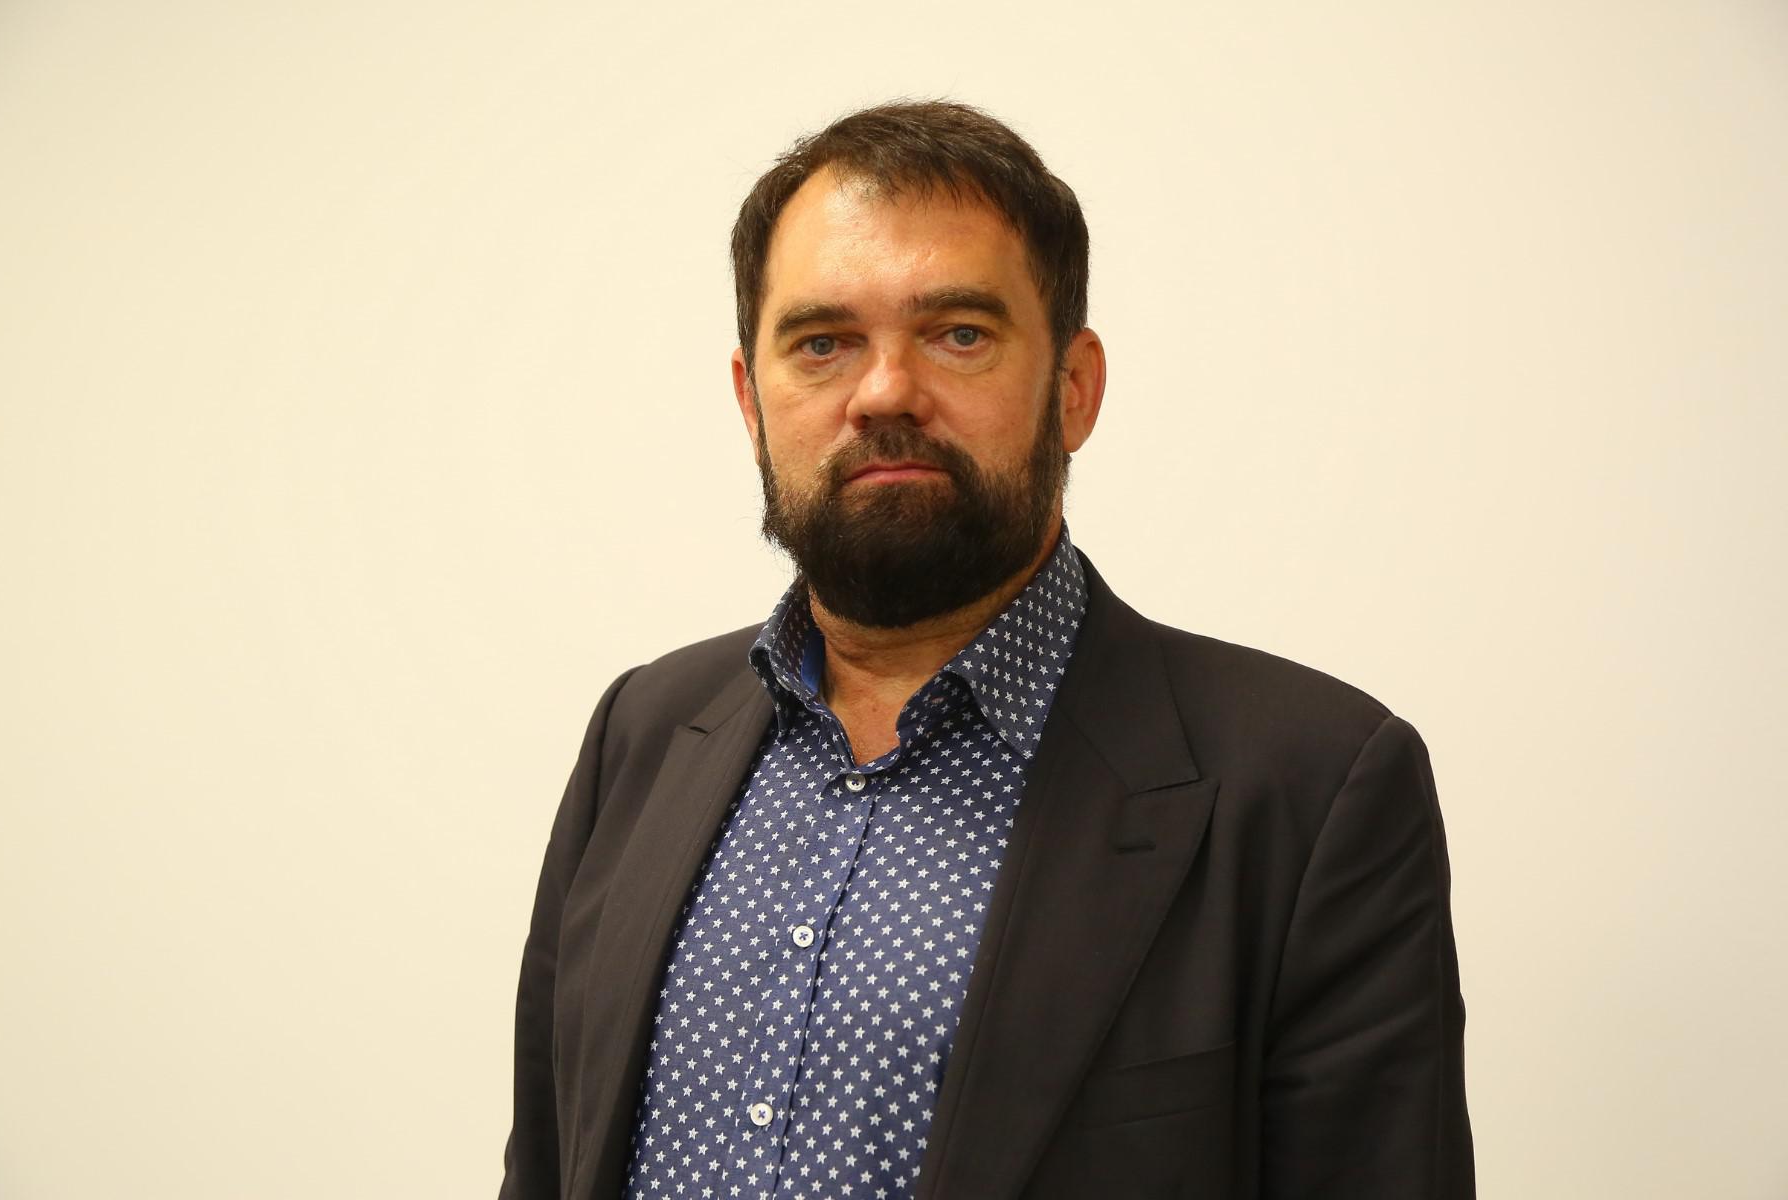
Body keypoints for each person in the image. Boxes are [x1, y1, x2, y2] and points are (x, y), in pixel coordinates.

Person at [498, 100, 1474, 1200]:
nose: (884, 393)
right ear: (751, 401)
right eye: (822, 344)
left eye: (959, 334)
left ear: (1074, 388)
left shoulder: (1311, 787)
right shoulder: (639, 737)